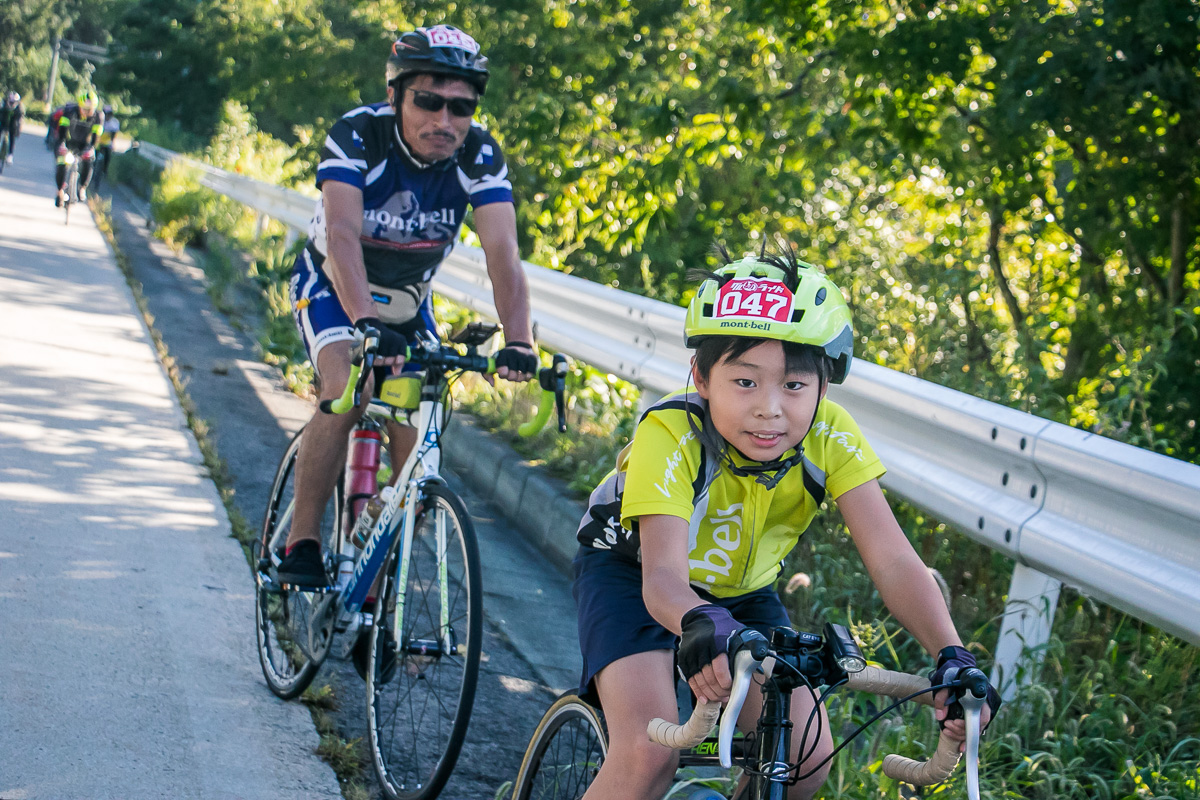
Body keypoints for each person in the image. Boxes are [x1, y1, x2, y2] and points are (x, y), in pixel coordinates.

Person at [571, 248, 1002, 799]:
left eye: (795, 385)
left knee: (805, 756)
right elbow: (662, 581)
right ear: (701, 377)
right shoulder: (672, 434)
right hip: (631, 576)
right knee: (651, 752)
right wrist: (701, 622)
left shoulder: (830, 435)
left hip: (741, 595)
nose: (770, 408)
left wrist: (952, 653)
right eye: (745, 383)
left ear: (824, 386)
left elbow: (894, 560)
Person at [276, 24, 538, 587]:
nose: (445, 122)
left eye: (461, 107)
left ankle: (369, 595)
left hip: (406, 301)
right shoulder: (359, 135)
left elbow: (503, 254)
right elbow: (343, 235)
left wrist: (520, 340)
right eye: (428, 101)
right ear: (396, 94)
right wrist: (365, 324)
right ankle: (303, 543)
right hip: (332, 284)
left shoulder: (479, 154)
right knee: (349, 387)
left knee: (420, 455)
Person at [53, 90, 104, 206]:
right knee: (61, 162)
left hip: (85, 144)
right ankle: (60, 191)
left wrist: (91, 149)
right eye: (84, 109)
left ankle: (82, 188)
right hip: (69, 142)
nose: (87, 112)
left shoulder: (98, 117)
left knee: (89, 160)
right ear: (79, 106)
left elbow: (95, 137)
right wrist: (62, 145)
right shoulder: (70, 111)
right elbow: (62, 130)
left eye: (90, 109)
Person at [97, 104, 120, 176]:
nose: (107, 116)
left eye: (108, 114)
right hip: (97, 141)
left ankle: (104, 169)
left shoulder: (114, 122)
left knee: (108, 155)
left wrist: (112, 143)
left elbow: (114, 134)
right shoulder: (98, 119)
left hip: (107, 142)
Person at [0, 92, 24, 163]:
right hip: (3, 123)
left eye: (14, 102)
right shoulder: (3, 105)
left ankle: (10, 155)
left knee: (12, 137)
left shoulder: (19, 108)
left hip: (12, 124)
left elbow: (20, 120)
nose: (12, 104)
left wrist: (19, 130)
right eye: (10, 102)